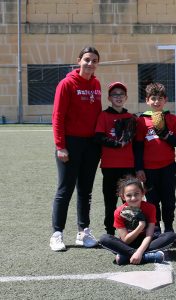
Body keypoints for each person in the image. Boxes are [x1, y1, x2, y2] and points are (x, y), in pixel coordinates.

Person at [50, 46, 102, 251]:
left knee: (85, 191)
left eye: (94, 61)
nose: (90, 64)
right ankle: (57, 234)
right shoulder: (66, 84)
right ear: (79, 60)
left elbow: (97, 114)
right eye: (87, 60)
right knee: (65, 189)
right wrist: (60, 146)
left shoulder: (96, 84)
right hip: (70, 144)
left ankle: (83, 231)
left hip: (91, 145)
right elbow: (58, 117)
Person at [134, 83, 176, 234]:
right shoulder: (142, 121)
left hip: (168, 166)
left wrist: (166, 134)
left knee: (169, 201)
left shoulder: (171, 118)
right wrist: (139, 168)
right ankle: (155, 229)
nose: (156, 102)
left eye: (160, 98)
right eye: (153, 98)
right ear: (147, 100)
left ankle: (168, 228)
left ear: (165, 100)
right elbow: (137, 146)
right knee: (152, 201)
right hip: (149, 169)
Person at [99, 176, 176, 265]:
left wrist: (139, 252)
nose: (133, 198)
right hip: (128, 244)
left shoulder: (150, 208)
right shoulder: (118, 212)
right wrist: (141, 226)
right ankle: (147, 256)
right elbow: (125, 240)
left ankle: (126, 256)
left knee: (170, 236)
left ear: (142, 193)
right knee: (104, 239)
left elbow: (149, 235)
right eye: (129, 195)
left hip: (146, 241)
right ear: (123, 197)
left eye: (136, 194)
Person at [94, 82, 136, 235]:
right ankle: (110, 231)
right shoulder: (104, 116)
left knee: (129, 200)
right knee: (110, 200)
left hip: (128, 165)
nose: (118, 97)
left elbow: (137, 144)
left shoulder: (131, 118)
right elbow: (98, 137)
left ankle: (132, 228)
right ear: (109, 98)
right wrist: (117, 144)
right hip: (110, 165)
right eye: (114, 95)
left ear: (126, 98)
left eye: (121, 94)